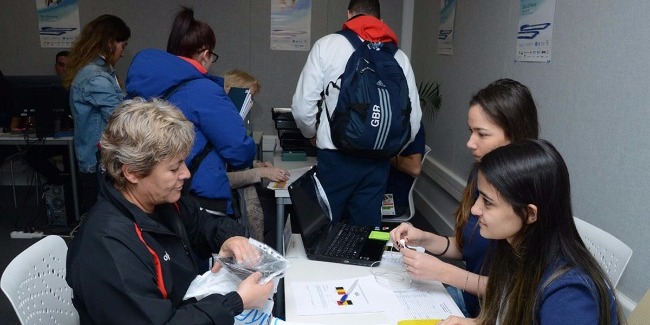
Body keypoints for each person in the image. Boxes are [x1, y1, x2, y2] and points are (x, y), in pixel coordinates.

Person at [66, 98, 275, 324]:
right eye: (174, 168)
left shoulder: (161, 202)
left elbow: (204, 223)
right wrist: (236, 302)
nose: (185, 174)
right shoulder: (108, 248)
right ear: (132, 173)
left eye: (184, 163)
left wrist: (230, 238)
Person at [390, 78, 539, 317]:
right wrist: (423, 238)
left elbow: (520, 290)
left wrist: (445, 273)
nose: (470, 143)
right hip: (471, 304)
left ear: (516, 136)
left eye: (482, 134)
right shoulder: (479, 174)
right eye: (471, 131)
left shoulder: (530, 196)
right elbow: (465, 245)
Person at [437, 139, 622, 325]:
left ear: (529, 213)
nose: (475, 210)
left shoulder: (570, 294)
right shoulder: (515, 246)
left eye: (487, 202)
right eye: (479, 197)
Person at [291, 0, 422, 227]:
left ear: (349, 14)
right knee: (365, 233)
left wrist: (312, 134)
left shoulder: (327, 45)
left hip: (335, 158)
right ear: (380, 20)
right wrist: (387, 146)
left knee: (324, 230)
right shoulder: (399, 57)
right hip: (378, 163)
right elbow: (413, 121)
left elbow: (302, 108)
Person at [126, 7, 256, 216]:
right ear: (205, 53)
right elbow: (239, 151)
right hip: (200, 197)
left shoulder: (147, 81)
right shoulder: (203, 91)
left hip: (154, 193)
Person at [63, 14, 130, 214]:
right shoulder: (96, 77)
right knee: (101, 220)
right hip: (98, 163)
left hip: (96, 161)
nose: (123, 52)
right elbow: (120, 117)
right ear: (110, 44)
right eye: (123, 46)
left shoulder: (99, 72)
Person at [223, 69, 289, 241]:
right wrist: (260, 173)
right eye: (249, 98)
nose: (251, 105)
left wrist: (255, 165)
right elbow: (223, 177)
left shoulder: (230, 126)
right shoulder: (221, 130)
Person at [384, 124, 425, 218]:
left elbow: (415, 169)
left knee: (353, 208)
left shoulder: (412, 123)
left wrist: (381, 154)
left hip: (392, 201)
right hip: (375, 190)